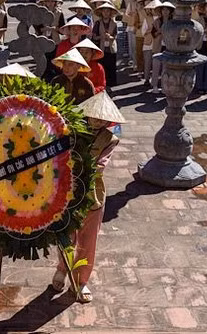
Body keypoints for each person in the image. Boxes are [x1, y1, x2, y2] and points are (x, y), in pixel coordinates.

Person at [52, 90, 122, 304]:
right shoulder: (72, 132)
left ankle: (81, 281)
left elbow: (99, 167)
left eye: (102, 118)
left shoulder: (110, 139)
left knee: (88, 240)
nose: (97, 120)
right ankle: (62, 269)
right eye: (94, 115)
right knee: (66, 235)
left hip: (92, 194)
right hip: (68, 191)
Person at [92, 3, 120, 88]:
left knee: (111, 67)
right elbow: (94, 37)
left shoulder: (114, 23)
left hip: (111, 48)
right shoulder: (97, 23)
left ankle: (111, 85)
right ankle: (102, 84)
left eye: (108, 11)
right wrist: (102, 37)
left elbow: (116, 36)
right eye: (104, 11)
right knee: (102, 67)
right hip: (101, 48)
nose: (106, 13)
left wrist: (110, 37)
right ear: (101, 13)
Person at [150, 1, 174, 94]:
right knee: (156, 67)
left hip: (168, 47)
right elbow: (153, 34)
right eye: (163, 9)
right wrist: (160, 30)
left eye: (167, 10)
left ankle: (165, 86)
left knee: (166, 68)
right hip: (158, 46)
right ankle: (155, 85)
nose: (165, 11)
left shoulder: (173, 22)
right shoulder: (157, 21)